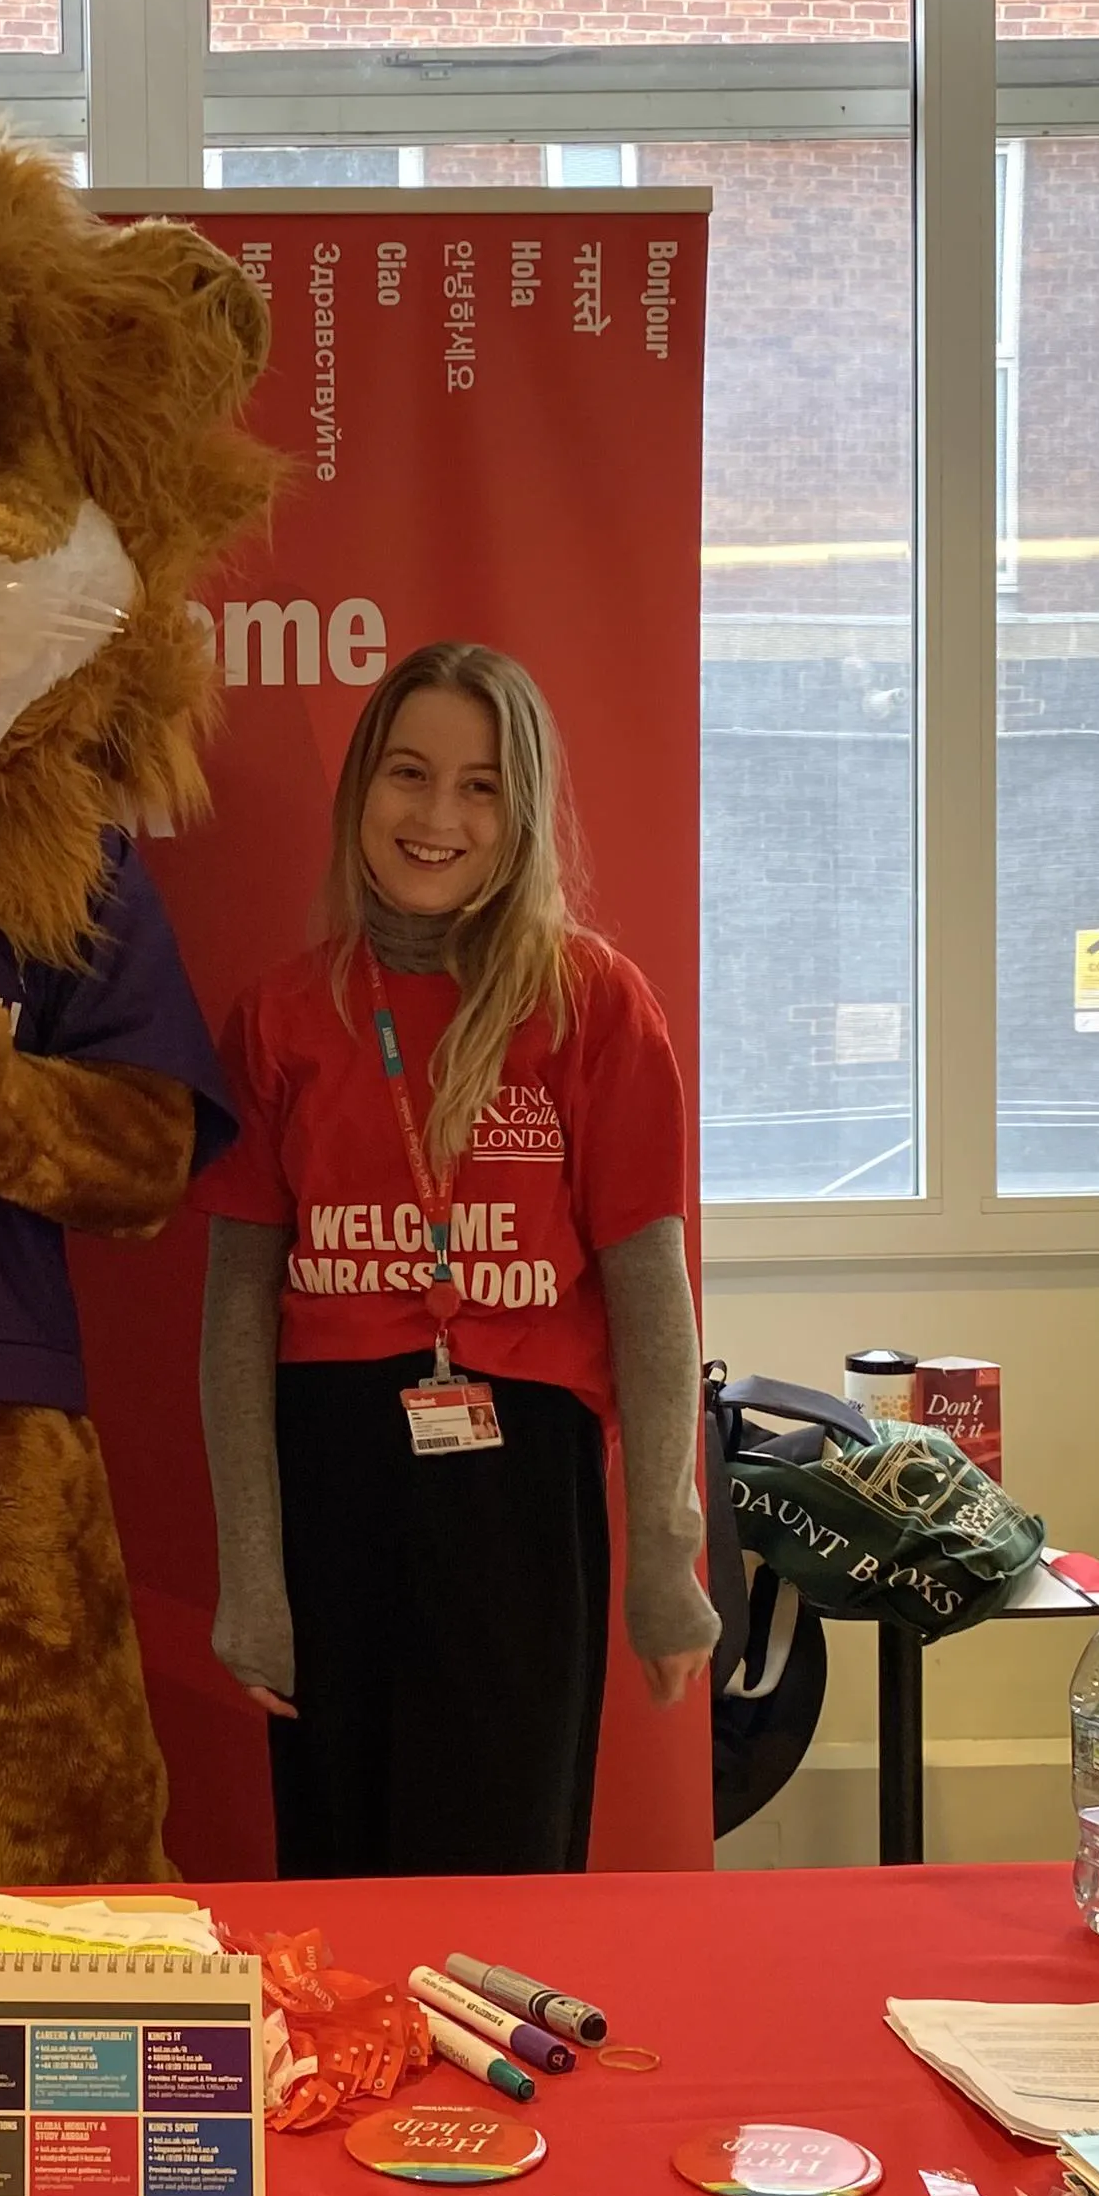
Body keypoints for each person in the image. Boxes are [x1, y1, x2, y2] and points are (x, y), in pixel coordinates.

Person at [195, 641, 717, 1876]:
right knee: (340, 1867)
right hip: (327, 1474)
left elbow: (651, 1302)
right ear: (361, 790)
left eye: (481, 786)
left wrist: (666, 1554)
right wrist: (254, 1582)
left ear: (523, 808)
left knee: (509, 1868)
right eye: (410, 775)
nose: (438, 817)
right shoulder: (281, 1016)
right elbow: (233, 1319)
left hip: (518, 1489)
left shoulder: (593, 1003)